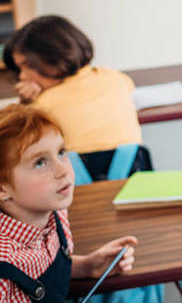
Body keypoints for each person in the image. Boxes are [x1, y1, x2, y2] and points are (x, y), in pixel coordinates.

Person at [0, 104, 137, 303]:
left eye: (61, 152)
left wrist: (87, 266)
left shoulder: (56, 215)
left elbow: (40, 265)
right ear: (3, 188)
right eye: (40, 162)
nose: (62, 170)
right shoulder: (4, 266)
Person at [2, 16, 145, 180]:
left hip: (76, 187)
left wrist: (27, 100)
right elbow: (129, 87)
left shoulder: (43, 103)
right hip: (136, 173)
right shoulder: (115, 78)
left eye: (26, 66)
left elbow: (23, 129)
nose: (22, 76)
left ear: (52, 58)